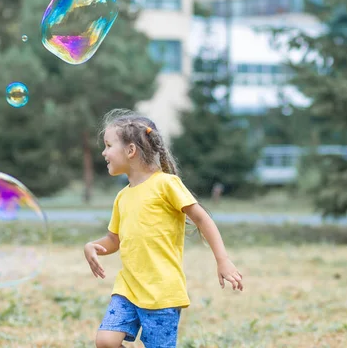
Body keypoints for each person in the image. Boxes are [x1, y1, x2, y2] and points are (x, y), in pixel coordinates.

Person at [84, 109, 243, 348]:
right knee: (105, 341)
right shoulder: (122, 197)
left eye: (108, 145)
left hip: (162, 293)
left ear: (130, 150)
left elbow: (202, 219)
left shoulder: (167, 184)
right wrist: (93, 247)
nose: (103, 152)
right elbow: (113, 240)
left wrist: (223, 260)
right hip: (128, 287)